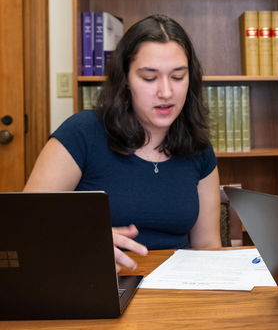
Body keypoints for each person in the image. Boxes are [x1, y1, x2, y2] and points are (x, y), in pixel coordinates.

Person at [24, 14, 221, 270]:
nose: (166, 92)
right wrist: (83, 240)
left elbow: (207, 246)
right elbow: (25, 226)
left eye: (177, 76)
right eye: (149, 78)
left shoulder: (198, 146)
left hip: (178, 295)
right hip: (98, 283)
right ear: (126, 79)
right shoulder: (82, 133)